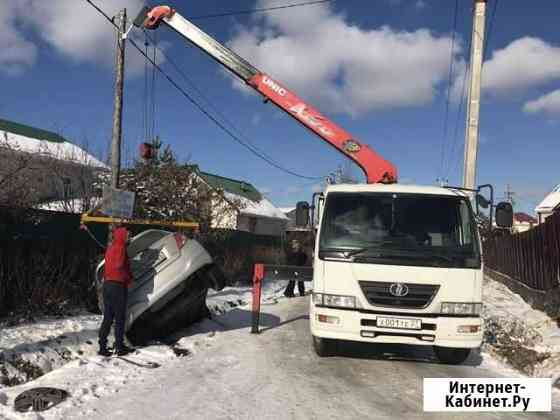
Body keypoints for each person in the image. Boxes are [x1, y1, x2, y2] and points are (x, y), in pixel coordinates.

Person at [98, 226, 134, 356]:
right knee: (119, 318)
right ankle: (119, 346)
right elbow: (119, 266)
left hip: (107, 285)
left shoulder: (111, 247)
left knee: (108, 317)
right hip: (118, 286)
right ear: (121, 236)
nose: (129, 238)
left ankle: (102, 346)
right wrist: (128, 278)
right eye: (128, 236)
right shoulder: (121, 248)